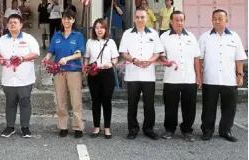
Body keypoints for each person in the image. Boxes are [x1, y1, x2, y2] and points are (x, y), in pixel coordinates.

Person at [198, 9, 247, 142]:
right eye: (215, 18)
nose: (217, 21)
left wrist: (240, 75)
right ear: (211, 20)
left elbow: (239, 58)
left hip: (229, 79)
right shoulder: (204, 37)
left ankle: (225, 131)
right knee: (208, 108)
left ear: (226, 20)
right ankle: (207, 131)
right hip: (210, 79)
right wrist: (199, 76)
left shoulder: (234, 37)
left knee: (229, 108)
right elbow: (199, 59)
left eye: (220, 18)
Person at [119, 8, 164, 140]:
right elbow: (123, 52)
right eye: (137, 17)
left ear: (146, 18)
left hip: (148, 75)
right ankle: (132, 129)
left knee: (149, 104)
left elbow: (158, 52)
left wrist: (150, 61)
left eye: (142, 17)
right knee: (132, 103)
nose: (140, 20)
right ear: (134, 18)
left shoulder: (154, 34)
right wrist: (133, 60)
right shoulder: (127, 34)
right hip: (132, 74)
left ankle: (148, 129)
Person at [0, 14, 40, 138]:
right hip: (8, 78)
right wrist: (0, 60)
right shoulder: (2, 39)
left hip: (25, 78)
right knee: (10, 103)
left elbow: (36, 53)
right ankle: (10, 127)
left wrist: (23, 58)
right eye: (10, 22)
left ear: (21, 25)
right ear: (7, 25)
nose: (12, 24)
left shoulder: (29, 38)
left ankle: (25, 128)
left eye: (15, 22)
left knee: (25, 102)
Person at [42, 9, 85, 138]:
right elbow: (51, 51)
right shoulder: (57, 35)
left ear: (73, 20)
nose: (67, 20)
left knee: (76, 100)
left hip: (74, 71)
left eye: (69, 18)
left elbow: (79, 53)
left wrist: (68, 58)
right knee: (61, 100)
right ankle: (63, 126)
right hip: (59, 72)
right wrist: (47, 58)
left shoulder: (78, 36)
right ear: (62, 20)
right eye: (64, 18)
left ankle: (78, 127)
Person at [159, 11, 201, 142]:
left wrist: (198, 76)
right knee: (170, 105)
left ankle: (187, 130)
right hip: (171, 78)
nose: (179, 22)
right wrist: (165, 60)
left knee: (189, 106)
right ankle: (169, 129)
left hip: (189, 77)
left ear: (184, 21)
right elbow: (160, 54)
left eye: (181, 20)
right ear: (171, 22)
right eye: (176, 20)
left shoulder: (191, 37)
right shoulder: (164, 37)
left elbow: (196, 58)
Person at [84, 19, 119, 139]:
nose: (99, 30)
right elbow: (87, 58)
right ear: (94, 29)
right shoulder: (89, 42)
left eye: (102, 27)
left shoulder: (111, 42)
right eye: (97, 27)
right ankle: (96, 127)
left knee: (107, 101)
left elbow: (115, 58)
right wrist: (86, 67)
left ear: (106, 29)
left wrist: (111, 64)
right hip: (94, 74)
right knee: (95, 101)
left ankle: (107, 128)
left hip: (107, 74)